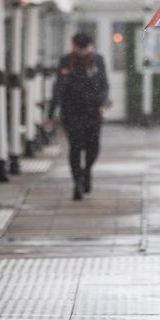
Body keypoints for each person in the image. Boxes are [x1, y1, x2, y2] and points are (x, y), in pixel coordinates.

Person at [47, 32, 110, 201]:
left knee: (93, 148)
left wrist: (103, 105)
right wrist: (51, 113)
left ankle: (86, 171)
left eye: (85, 47)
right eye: (79, 47)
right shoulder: (66, 61)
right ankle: (77, 182)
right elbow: (58, 88)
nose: (82, 51)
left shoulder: (98, 61)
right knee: (75, 147)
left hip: (93, 112)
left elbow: (104, 85)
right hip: (71, 112)